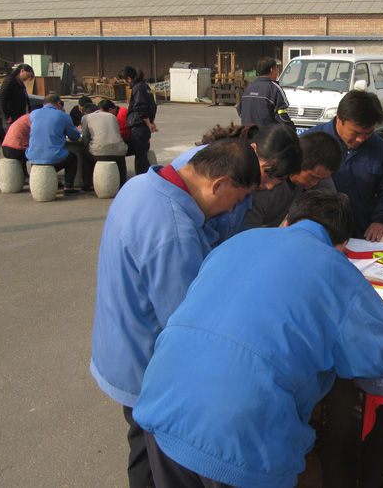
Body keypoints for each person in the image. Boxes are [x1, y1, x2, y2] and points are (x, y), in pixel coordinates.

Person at [133, 190, 383, 488]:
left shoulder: (237, 242)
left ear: (287, 222)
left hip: (160, 402)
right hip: (240, 439)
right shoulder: (338, 270)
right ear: (342, 245)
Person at [90, 139, 261, 488]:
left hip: (117, 339)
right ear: (219, 184)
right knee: (152, 455)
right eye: (238, 198)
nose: (235, 208)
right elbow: (188, 326)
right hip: (146, 364)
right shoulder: (174, 234)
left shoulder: (141, 184)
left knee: (141, 442)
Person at [172, 122, 302, 247]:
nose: (269, 186)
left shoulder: (245, 185)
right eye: (268, 174)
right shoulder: (206, 165)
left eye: (279, 180)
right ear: (253, 149)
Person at [307, 89, 383, 242]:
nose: (360, 139)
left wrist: (381, 220)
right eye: (355, 133)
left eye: (368, 133)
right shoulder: (311, 142)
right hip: (317, 235)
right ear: (339, 119)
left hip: (362, 236)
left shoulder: (379, 148)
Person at [244, 130, 342, 228]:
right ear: (298, 164)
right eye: (313, 177)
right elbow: (247, 233)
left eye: (321, 179)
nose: (315, 183)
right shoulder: (263, 187)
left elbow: (334, 209)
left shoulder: (317, 174)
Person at [26, 93, 81, 196]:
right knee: (73, 158)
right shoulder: (63, 116)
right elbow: (74, 136)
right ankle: (68, 187)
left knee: (45, 156)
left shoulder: (34, 114)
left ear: (44, 104)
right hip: (53, 157)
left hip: (33, 156)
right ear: (58, 103)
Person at [80, 102, 128, 191]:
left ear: (85, 113)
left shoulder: (86, 118)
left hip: (99, 154)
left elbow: (86, 137)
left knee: (84, 151)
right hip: (119, 151)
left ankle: (87, 184)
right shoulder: (112, 116)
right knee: (120, 157)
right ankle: (122, 183)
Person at [237, 56, 294, 130]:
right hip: (266, 134)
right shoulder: (274, 88)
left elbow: (240, 112)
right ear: (272, 70)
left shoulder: (248, 88)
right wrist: (292, 129)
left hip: (248, 133)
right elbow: (281, 116)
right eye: (276, 69)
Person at [122, 66, 158, 175]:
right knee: (142, 153)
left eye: (124, 80)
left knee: (141, 155)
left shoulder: (137, 88)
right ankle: (143, 176)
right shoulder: (145, 86)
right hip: (144, 126)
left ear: (129, 79)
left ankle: (145, 177)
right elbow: (152, 106)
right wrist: (151, 122)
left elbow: (140, 107)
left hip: (139, 126)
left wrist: (148, 123)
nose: (124, 82)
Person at [0, 63, 34, 132]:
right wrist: (6, 115)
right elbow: (2, 99)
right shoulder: (10, 81)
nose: (28, 78)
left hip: (20, 116)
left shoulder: (20, 83)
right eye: (28, 76)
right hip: (12, 117)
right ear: (22, 71)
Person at [1, 113, 31, 181]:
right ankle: (36, 177)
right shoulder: (33, 119)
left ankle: (24, 175)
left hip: (5, 148)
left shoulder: (24, 118)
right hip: (15, 150)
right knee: (38, 155)